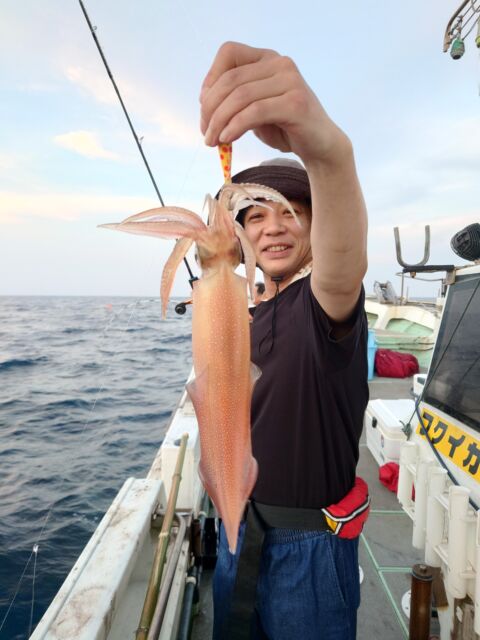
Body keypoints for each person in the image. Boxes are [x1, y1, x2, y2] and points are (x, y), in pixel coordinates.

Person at [200, 42, 369, 640]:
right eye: (256, 216)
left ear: (317, 228)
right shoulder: (243, 315)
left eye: (293, 213)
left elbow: (343, 264)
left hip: (310, 553)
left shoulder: (326, 304)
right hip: (238, 531)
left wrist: (325, 150)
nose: (273, 226)